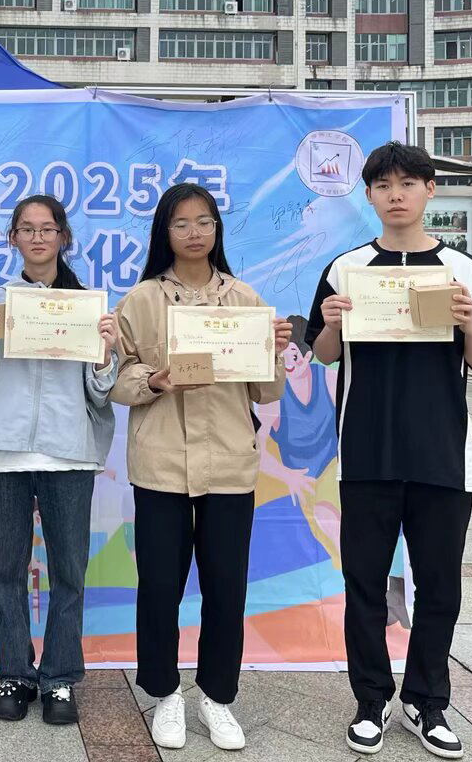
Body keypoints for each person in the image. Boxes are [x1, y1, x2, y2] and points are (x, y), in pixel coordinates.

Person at [307, 142, 472, 760]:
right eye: (384, 185)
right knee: (363, 583)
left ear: (429, 189)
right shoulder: (347, 268)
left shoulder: (462, 270)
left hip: (443, 453)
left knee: (439, 586)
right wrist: (331, 322)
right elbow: (323, 355)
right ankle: (371, 700)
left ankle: (426, 701)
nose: (396, 195)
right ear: (368, 195)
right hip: (366, 451)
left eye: (408, 183)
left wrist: (468, 322)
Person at [111, 183, 291, 752]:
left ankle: (217, 696)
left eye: (205, 222)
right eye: (182, 223)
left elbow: (266, 392)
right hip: (161, 464)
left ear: (217, 229)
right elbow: (116, 380)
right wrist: (156, 379)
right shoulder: (141, 300)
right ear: (164, 232)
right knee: (159, 586)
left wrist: (273, 350)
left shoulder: (244, 298)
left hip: (229, 464)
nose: (195, 233)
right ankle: (164, 694)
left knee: (226, 587)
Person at [0, 194, 118, 725]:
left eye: (47, 229)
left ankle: (59, 679)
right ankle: (15, 674)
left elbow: (100, 392)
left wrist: (105, 354)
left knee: (69, 572)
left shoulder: (87, 307)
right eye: (26, 229)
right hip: (6, 453)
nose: (37, 237)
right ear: (13, 238)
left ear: (63, 237)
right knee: (5, 571)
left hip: (69, 452)